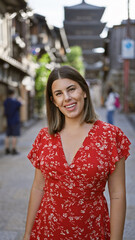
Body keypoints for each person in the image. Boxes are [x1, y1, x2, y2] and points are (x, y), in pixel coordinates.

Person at [23, 65, 131, 240]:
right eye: (58, 93)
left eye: (71, 89)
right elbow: (38, 187)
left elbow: (118, 195)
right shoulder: (44, 137)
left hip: (92, 230)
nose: (67, 98)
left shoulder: (111, 136)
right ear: (53, 101)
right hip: (47, 229)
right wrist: (27, 234)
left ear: (84, 92)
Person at [4, 89, 23, 155]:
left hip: (8, 121)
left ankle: (7, 149)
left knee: (7, 135)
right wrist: (19, 99)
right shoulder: (15, 102)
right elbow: (22, 103)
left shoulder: (6, 101)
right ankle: (13, 149)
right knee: (14, 135)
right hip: (15, 121)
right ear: (13, 93)